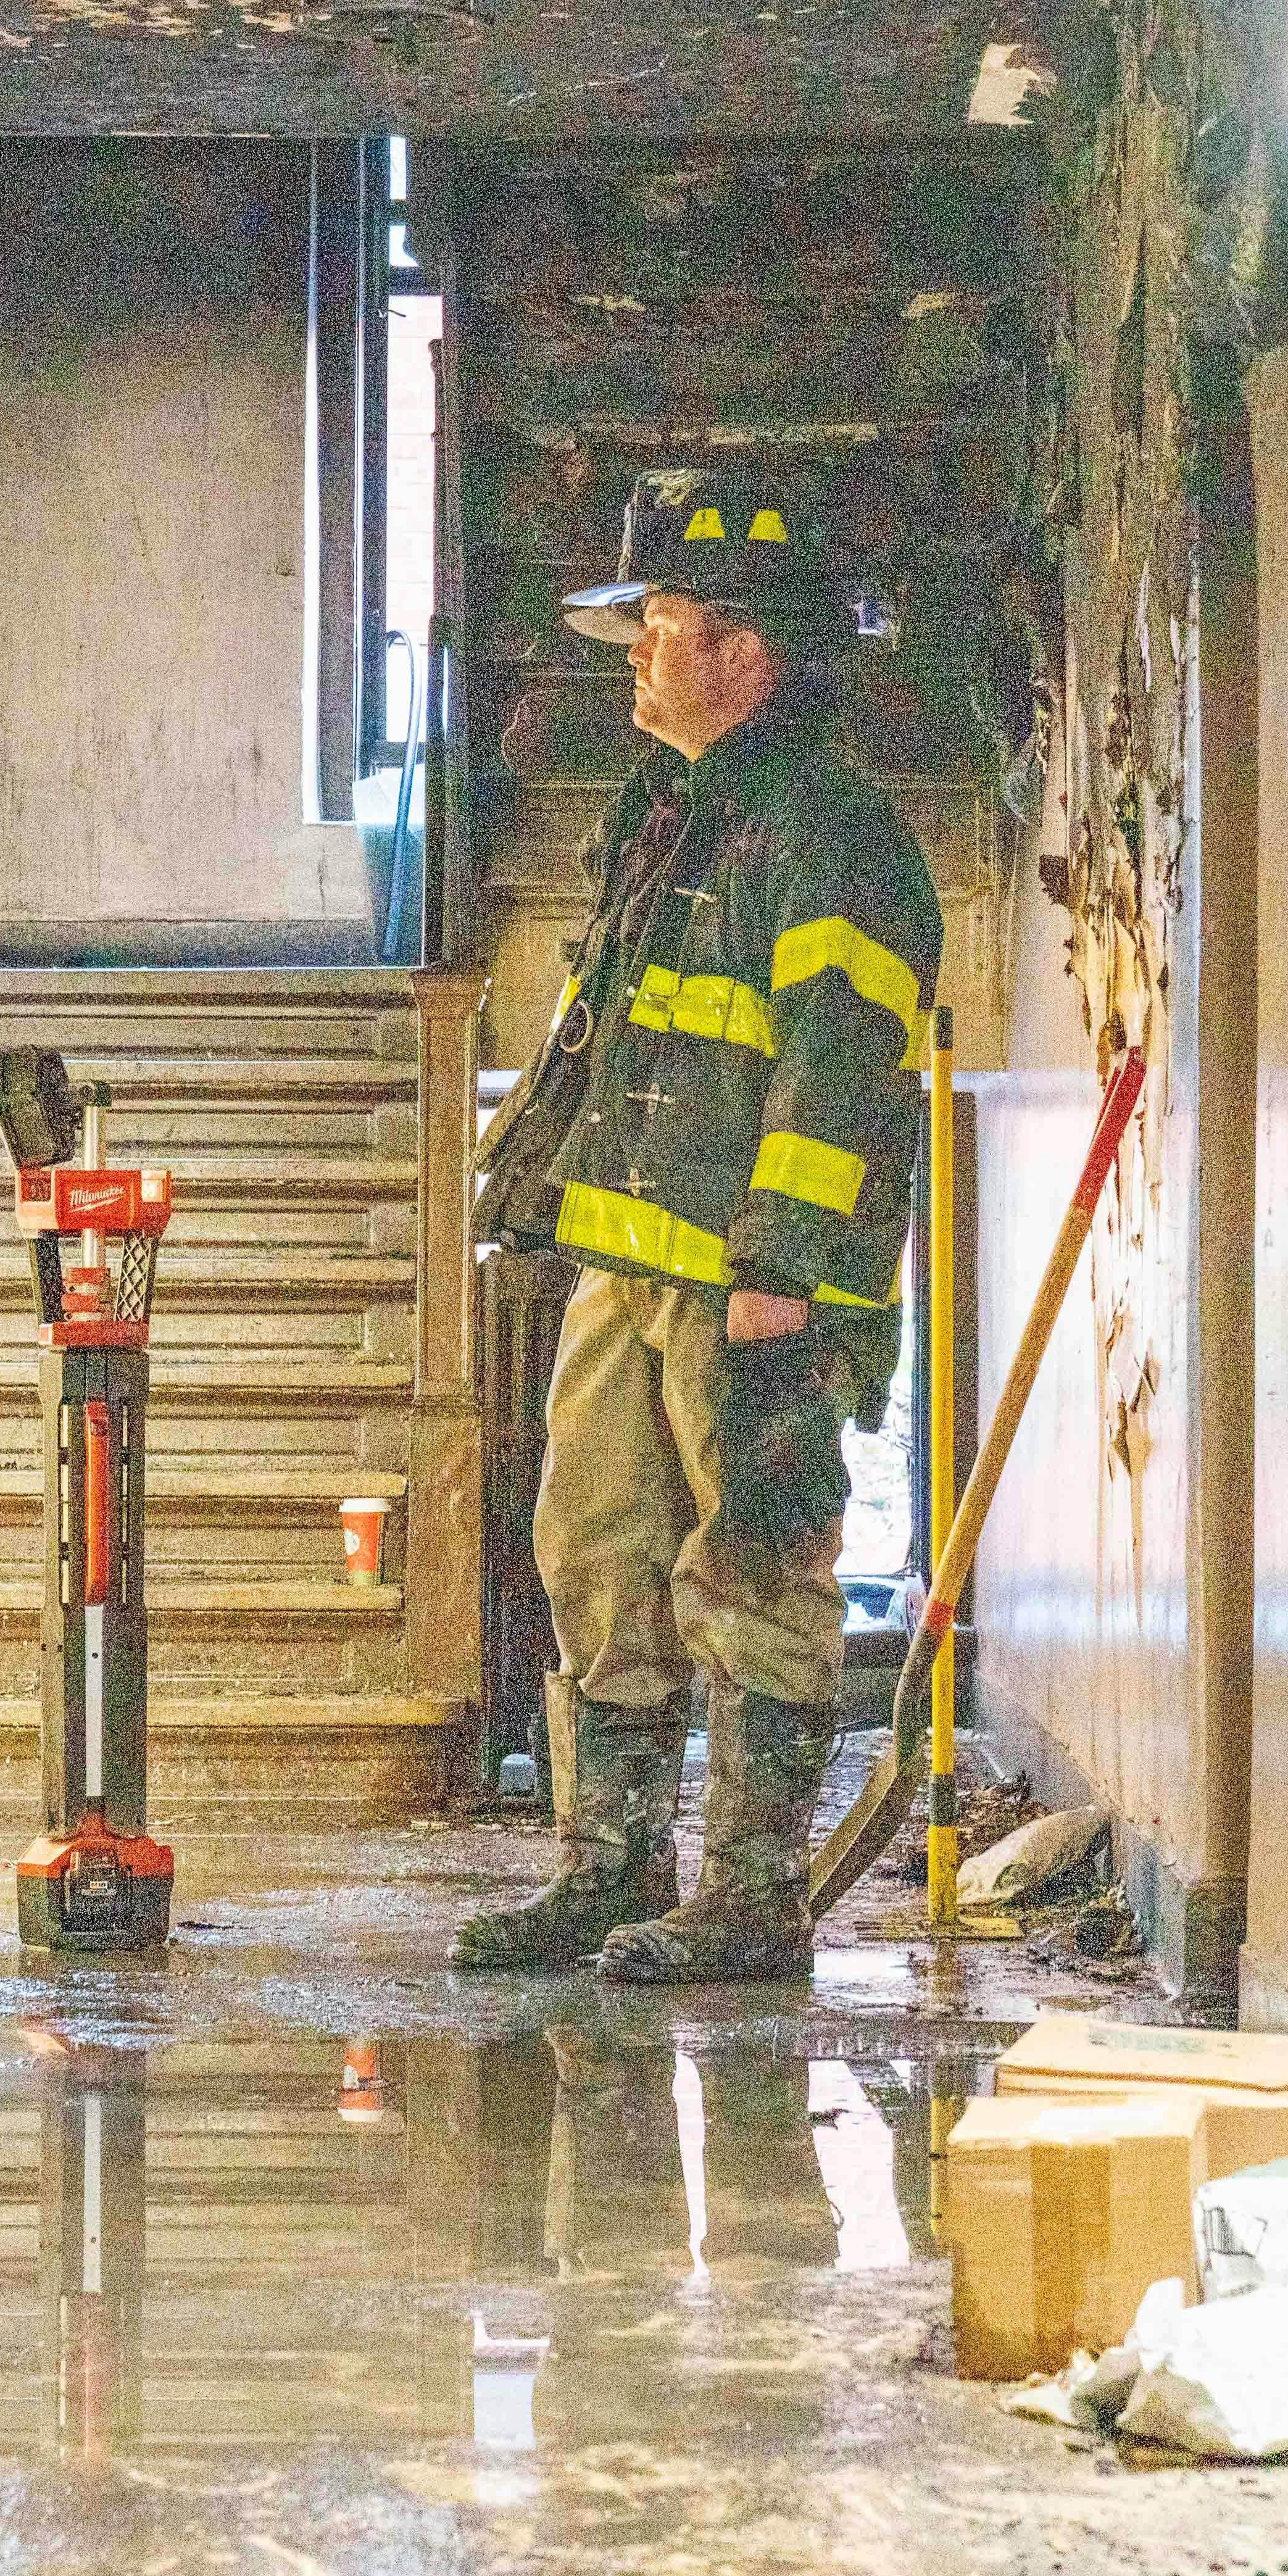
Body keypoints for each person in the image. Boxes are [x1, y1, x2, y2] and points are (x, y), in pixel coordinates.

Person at [457, 482, 944, 1982]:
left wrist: (781, 1269)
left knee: (751, 1571)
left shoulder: (831, 836)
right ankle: (609, 1870)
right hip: (633, 1259)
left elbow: (841, 1063)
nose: (634, 657)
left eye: (660, 627)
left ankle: (747, 1894)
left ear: (745, 650)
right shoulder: (666, 815)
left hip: (753, 1286)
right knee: (595, 1555)